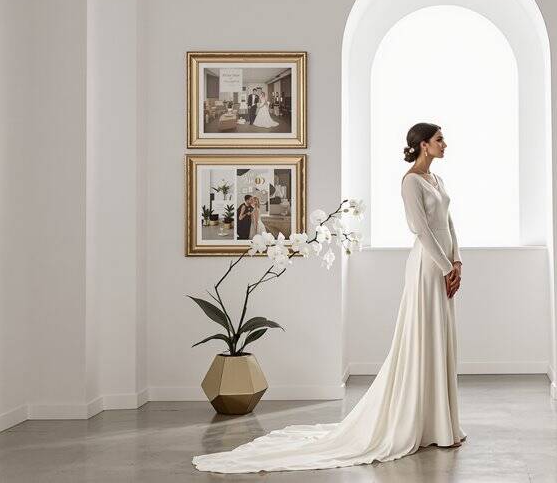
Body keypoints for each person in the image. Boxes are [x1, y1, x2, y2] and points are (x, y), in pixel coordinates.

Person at [193, 122, 465, 473]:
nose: (446, 144)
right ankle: (426, 425)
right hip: (428, 265)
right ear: (424, 145)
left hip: (445, 261)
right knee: (424, 337)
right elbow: (420, 229)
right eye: (439, 139)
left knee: (441, 338)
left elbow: (448, 221)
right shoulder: (410, 181)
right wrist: (444, 266)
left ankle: (441, 424)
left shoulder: (437, 181)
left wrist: (458, 259)